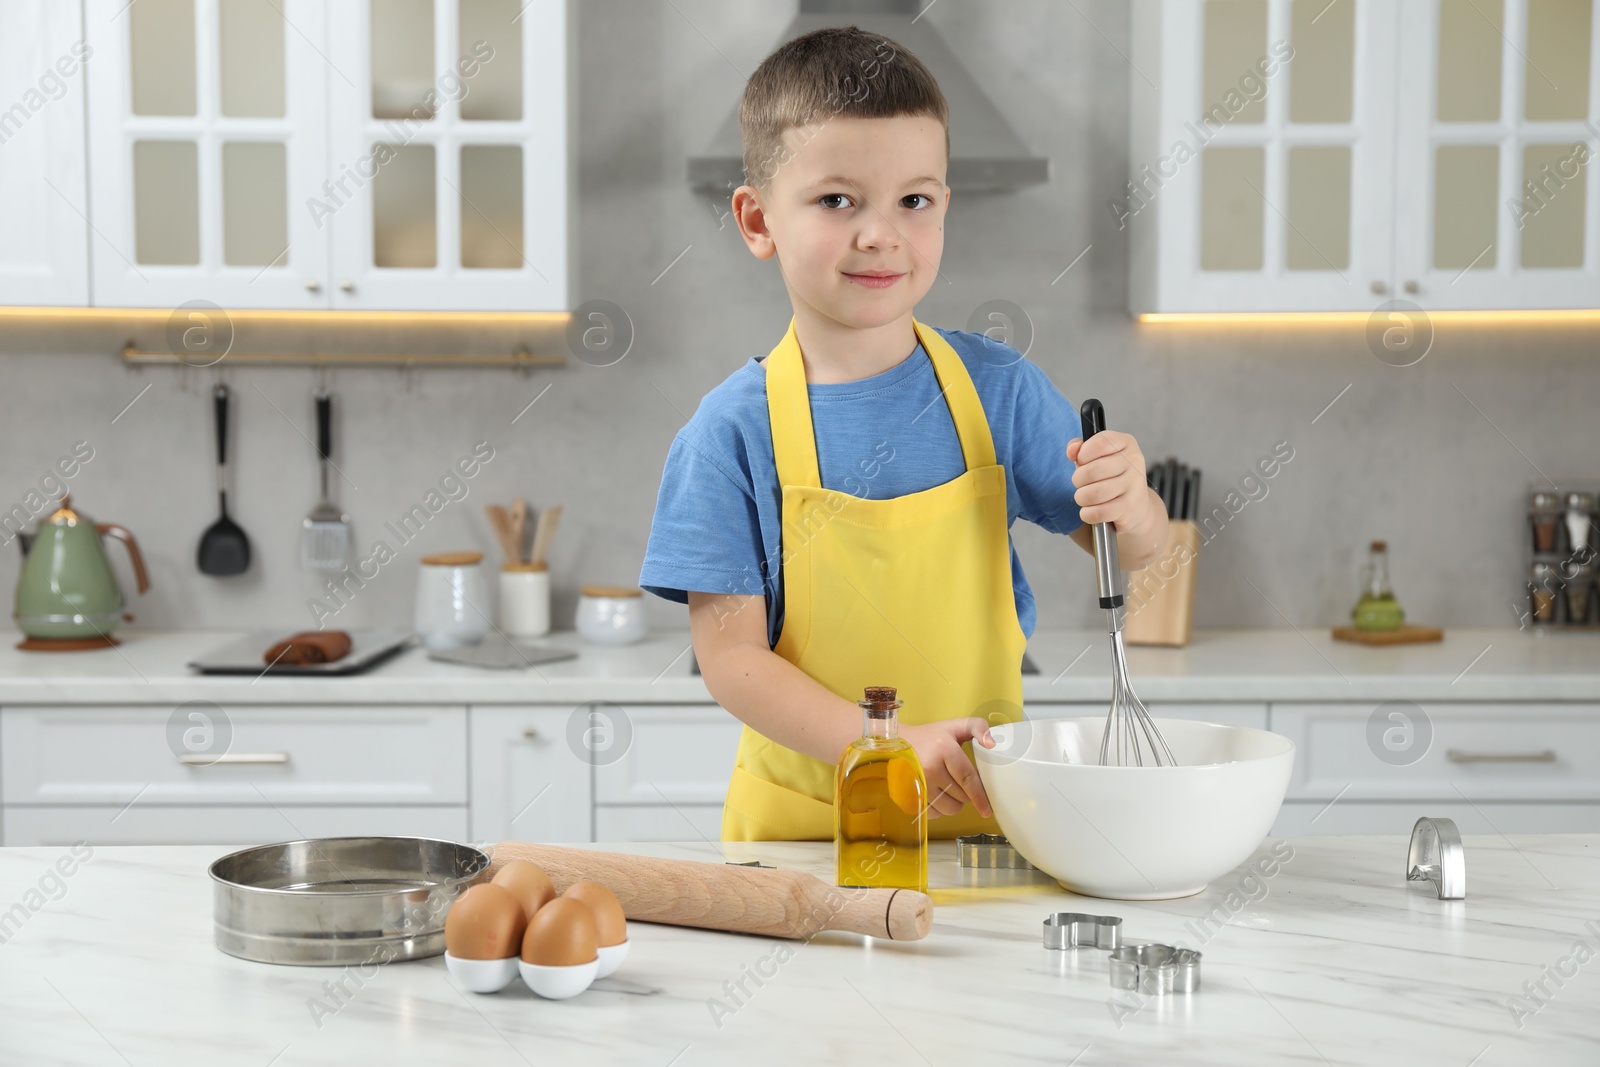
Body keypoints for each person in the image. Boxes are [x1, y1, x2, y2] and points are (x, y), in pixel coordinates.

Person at [640, 26, 1168, 842]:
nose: (880, 233)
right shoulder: (730, 434)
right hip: (806, 847)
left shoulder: (999, 392)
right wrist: (884, 748)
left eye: (912, 200)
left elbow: (1132, 552)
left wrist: (1131, 502)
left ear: (943, 207)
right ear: (756, 220)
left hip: (983, 829)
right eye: (836, 200)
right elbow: (732, 662)